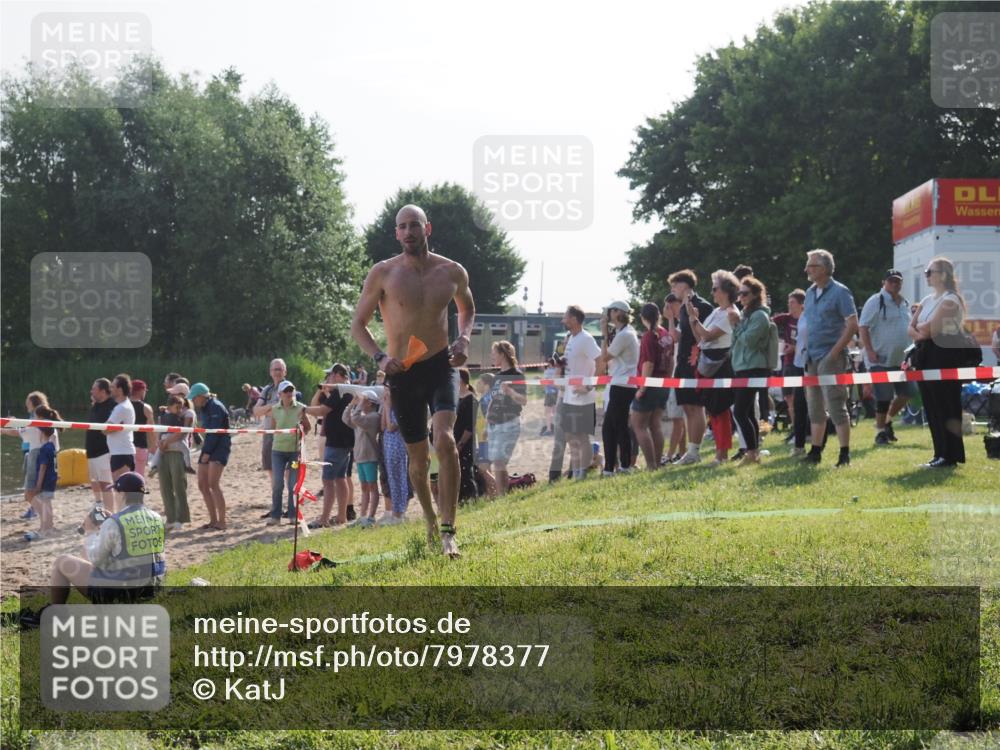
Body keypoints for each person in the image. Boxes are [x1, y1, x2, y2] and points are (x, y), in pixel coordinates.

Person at [350, 204, 475, 558]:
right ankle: (431, 521)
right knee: (417, 462)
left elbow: (467, 308)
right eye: (402, 227)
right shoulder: (383, 273)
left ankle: (450, 530)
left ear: (427, 228)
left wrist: (463, 338)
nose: (408, 232)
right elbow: (357, 325)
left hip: (440, 365)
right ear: (396, 233)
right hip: (402, 373)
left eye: (414, 226)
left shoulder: (451, 271)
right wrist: (379, 357)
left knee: (446, 440)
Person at [46, 472, 164, 607]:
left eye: (115, 492)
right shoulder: (156, 517)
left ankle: (55, 610)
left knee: (61, 561)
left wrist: (90, 532)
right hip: (152, 590)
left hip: (123, 595)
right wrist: (112, 520)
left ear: (122, 494)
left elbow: (95, 560)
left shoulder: (115, 523)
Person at [909, 256, 968, 468]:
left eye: (929, 272)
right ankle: (939, 453)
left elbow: (931, 330)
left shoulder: (951, 300)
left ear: (942, 275)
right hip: (925, 355)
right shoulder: (927, 300)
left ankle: (950, 454)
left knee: (946, 405)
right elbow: (913, 328)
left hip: (944, 356)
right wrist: (921, 331)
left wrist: (921, 330)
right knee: (931, 406)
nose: (926, 276)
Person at [801, 249, 858, 467]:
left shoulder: (841, 292)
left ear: (823, 269)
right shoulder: (809, 292)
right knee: (814, 405)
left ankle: (844, 454)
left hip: (831, 356)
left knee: (836, 404)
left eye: (811, 265)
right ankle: (815, 451)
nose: (806, 269)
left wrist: (834, 353)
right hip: (812, 356)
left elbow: (852, 324)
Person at [686, 270, 740, 466]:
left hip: (720, 365)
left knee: (721, 410)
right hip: (708, 363)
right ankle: (719, 452)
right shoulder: (717, 312)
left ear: (726, 291)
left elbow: (708, 335)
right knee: (713, 411)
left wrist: (694, 319)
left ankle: (721, 455)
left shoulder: (731, 313)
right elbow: (699, 336)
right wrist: (694, 319)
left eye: (715, 288)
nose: (712, 292)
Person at [859, 269, 916, 446]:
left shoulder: (905, 303)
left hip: (902, 360)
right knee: (883, 397)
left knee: (909, 392)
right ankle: (880, 433)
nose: (895, 284)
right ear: (884, 282)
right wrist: (869, 351)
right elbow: (863, 327)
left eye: (898, 281)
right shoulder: (875, 301)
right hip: (880, 359)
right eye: (891, 281)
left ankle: (887, 421)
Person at [669, 270, 715, 465]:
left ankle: (694, 451)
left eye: (674, 285)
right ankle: (691, 451)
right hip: (682, 362)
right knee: (687, 407)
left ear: (685, 285)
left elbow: (704, 337)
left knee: (696, 407)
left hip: (695, 362)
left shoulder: (703, 306)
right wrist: (670, 317)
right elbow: (677, 337)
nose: (672, 290)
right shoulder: (681, 309)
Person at [304, 364, 354, 528]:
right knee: (340, 479)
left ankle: (324, 519)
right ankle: (341, 516)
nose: (329, 378)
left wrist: (303, 409)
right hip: (345, 440)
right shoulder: (349, 389)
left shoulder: (339, 390)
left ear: (338, 374)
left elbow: (322, 410)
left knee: (328, 481)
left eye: (331, 375)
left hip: (336, 441)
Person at [730, 276, 773, 466]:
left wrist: (736, 325)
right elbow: (737, 343)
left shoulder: (760, 316)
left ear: (756, 294)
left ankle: (752, 451)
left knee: (740, 412)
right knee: (745, 412)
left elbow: (749, 341)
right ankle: (753, 453)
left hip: (754, 368)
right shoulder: (745, 314)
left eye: (745, 293)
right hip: (742, 367)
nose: (741, 297)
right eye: (740, 293)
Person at [256, 380, 311, 526]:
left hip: (294, 451)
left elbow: (308, 427)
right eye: (286, 391)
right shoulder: (274, 409)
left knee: (293, 484)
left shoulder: (300, 408)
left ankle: (293, 515)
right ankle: (275, 515)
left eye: (291, 390)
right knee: (277, 483)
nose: (288, 393)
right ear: (279, 394)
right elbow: (274, 429)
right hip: (278, 451)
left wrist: (301, 434)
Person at [559, 305, 601, 480]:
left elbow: (601, 362)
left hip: (583, 396)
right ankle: (575, 471)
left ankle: (582, 473)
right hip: (569, 395)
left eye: (565, 317)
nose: (563, 320)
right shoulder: (571, 338)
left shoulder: (586, 338)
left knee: (581, 435)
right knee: (569, 435)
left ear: (574, 319)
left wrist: (589, 386)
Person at [630, 303, 674, 470]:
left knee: (638, 425)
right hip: (664, 384)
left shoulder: (649, 336)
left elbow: (648, 363)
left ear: (643, 318)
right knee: (655, 425)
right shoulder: (667, 335)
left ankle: (651, 465)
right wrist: (668, 380)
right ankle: (657, 463)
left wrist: (642, 388)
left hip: (650, 384)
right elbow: (671, 361)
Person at [598, 301, 640, 475]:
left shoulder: (625, 334)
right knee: (611, 427)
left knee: (618, 427)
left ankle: (622, 466)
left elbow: (605, 357)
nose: (607, 314)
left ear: (617, 313)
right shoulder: (624, 332)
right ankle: (613, 467)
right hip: (621, 383)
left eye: (610, 311)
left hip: (622, 385)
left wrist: (604, 334)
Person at [485, 341, 528, 494]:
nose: (492, 356)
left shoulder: (517, 375)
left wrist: (510, 392)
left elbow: (523, 400)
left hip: (509, 423)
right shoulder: (496, 377)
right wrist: (487, 421)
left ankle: (501, 495)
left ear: (502, 355)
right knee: (498, 463)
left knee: (498, 461)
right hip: (493, 424)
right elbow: (493, 399)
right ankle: (503, 494)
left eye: (494, 353)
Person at [188, 382, 231, 530]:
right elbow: (208, 433)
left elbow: (215, 433)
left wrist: (206, 453)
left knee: (213, 484)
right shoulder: (205, 408)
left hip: (219, 447)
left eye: (194, 398)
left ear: (201, 396)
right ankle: (213, 520)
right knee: (202, 484)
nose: (193, 401)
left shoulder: (216, 407)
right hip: (208, 446)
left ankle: (222, 521)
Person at [343, 390, 383, 527]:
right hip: (360, 457)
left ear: (370, 403)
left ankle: (371, 517)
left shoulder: (373, 417)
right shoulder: (362, 417)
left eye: (363, 401)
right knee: (364, 487)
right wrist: (351, 404)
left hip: (370, 456)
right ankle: (363, 516)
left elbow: (355, 418)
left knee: (372, 487)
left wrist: (359, 404)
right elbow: (346, 418)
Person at [773, 290, 806, 448]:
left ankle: (805, 429)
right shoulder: (785, 318)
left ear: (801, 305)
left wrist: (795, 347)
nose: (789, 305)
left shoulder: (807, 319)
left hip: (802, 362)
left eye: (792, 302)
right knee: (788, 397)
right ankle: (795, 428)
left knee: (802, 398)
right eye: (789, 302)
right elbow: (768, 322)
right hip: (788, 362)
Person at [23, 406, 61, 541]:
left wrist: (38, 485)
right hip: (52, 480)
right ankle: (48, 526)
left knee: (43, 502)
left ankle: (46, 527)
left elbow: (43, 467)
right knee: (47, 503)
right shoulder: (51, 446)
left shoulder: (45, 449)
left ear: (41, 433)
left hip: (45, 481)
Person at [157, 395, 193, 531]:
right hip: (164, 452)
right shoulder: (165, 415)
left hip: (177, 452)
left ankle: (181, 518)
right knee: (164, 486)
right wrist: (159, 443)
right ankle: (170, 518)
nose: (179, 409)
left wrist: (166, 442)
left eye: (181, 406)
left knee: (178, 485)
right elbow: (159, 430)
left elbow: (182, 433)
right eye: (176, 406)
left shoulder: (185, 415)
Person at [253, 358, 289, 482]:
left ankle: (290, 498)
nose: (277, 372)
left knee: (288, 470)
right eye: (275, 369)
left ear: (285, 371)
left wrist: (267, 410)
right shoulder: (267, 390)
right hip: (269, 432)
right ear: (270, 372)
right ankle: (276, 498)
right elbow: (256, 411)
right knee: (270, 467)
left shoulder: (289, 388)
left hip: (285, 434)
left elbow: (283, 409)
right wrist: (270, 407)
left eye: (280, 369)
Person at [379, 388, 411, 524]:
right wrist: (385, 407)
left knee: (399, 477)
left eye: (388, 392)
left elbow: (391, 427)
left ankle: (400, 513)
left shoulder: (399, 407)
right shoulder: (389, 408)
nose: (385, 395)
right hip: (388, 445)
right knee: (392, 478)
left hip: (397, 446)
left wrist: (387, 406)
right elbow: (382, 427)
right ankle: (396, 513)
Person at [85, 378, 115, 507]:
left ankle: (109, 511)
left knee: (106, 484)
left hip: (104, 451)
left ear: (103, 391)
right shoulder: (96, 405)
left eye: (94, 389)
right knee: (96, 481)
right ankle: (100, 505)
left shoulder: (112, 406)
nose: (91, 391)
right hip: (92, 451)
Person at [107, 374, 137, 502]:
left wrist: (107, 427)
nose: (110, 389)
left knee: (122, 491)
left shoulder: (122, 408)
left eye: (113, 386)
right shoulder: (122, 406)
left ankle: (124, 519)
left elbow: (105, 430)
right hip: (120, 452)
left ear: (119, 389)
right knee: (122, 491)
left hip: (122, 452)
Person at [454, 368, 478, 501]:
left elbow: (470, 426)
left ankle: (471, 500)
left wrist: (460, 444)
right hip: (455, 441)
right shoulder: (457, 398)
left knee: (466, 473)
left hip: (465, 443)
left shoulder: (471, 400)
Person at [475, 372, 498, 495]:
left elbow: (491, 419)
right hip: (484, 440)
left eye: (480, 382)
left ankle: (500, 490)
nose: (477, 384)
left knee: (483, 469)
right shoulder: (486, 398)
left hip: (486, 440)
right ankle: (492, 495)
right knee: (487, 469)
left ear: (486, 384)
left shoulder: (485, 400)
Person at [129, 379, 155, 477]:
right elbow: (151, 430)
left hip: (125, 446)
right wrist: (153, 447)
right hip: (140, 446)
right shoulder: (146, 408)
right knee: (138, 477)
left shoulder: (122, 406)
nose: (145, 393)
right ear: (140, 391)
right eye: (144, 391)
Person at [541, 357, 559, 435]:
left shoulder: (547, 371)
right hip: (557, 392)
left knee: (548, 412)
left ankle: (549, 429)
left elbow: (544, 383)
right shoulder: (557, 371)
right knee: (555, 411)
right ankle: (556, 428)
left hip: (549, 393)